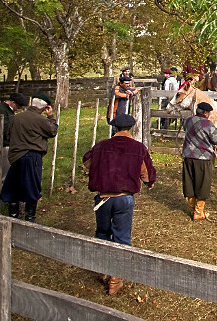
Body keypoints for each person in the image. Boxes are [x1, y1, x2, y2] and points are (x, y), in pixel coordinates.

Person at [82, 113, 156, 296]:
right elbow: (146, 171)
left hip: (103, 198)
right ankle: (116, 278)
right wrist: (149, 181)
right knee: (122, 237)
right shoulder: (138, 148)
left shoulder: (101, 146)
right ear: (130, 128)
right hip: (124, 198)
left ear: (115, 127)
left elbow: (86, 162)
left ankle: (104, 269)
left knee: (102, 233)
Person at [0, 95, 58, 222]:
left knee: (13, 187)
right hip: (32, 156)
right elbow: (52, 131)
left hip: (15, 156)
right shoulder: (40, 119)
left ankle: (13, 217)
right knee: (32, 187)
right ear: (44, 107)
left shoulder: (16, 118)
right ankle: (30, 218)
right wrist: (51, 116)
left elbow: (8, 135)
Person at [180, 101, 217, 221]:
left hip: (188, 156)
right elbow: (215, 140)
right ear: (205, 112)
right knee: (203, 183)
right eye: (208, 113)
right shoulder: (208, 124)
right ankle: (198, 212)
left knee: (190, 182)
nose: (209, 115)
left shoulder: (187, 121)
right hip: (203, 158)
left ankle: (192, 208)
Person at [0, 92, 28, 208]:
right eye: (18, 106)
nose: (18, 108)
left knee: (9, 175)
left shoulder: (8, 111)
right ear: (13, 102)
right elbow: (5, 130)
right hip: (2, 147)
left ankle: (8, 198)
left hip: (9, 146)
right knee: (1, 175)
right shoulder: (1, 111)